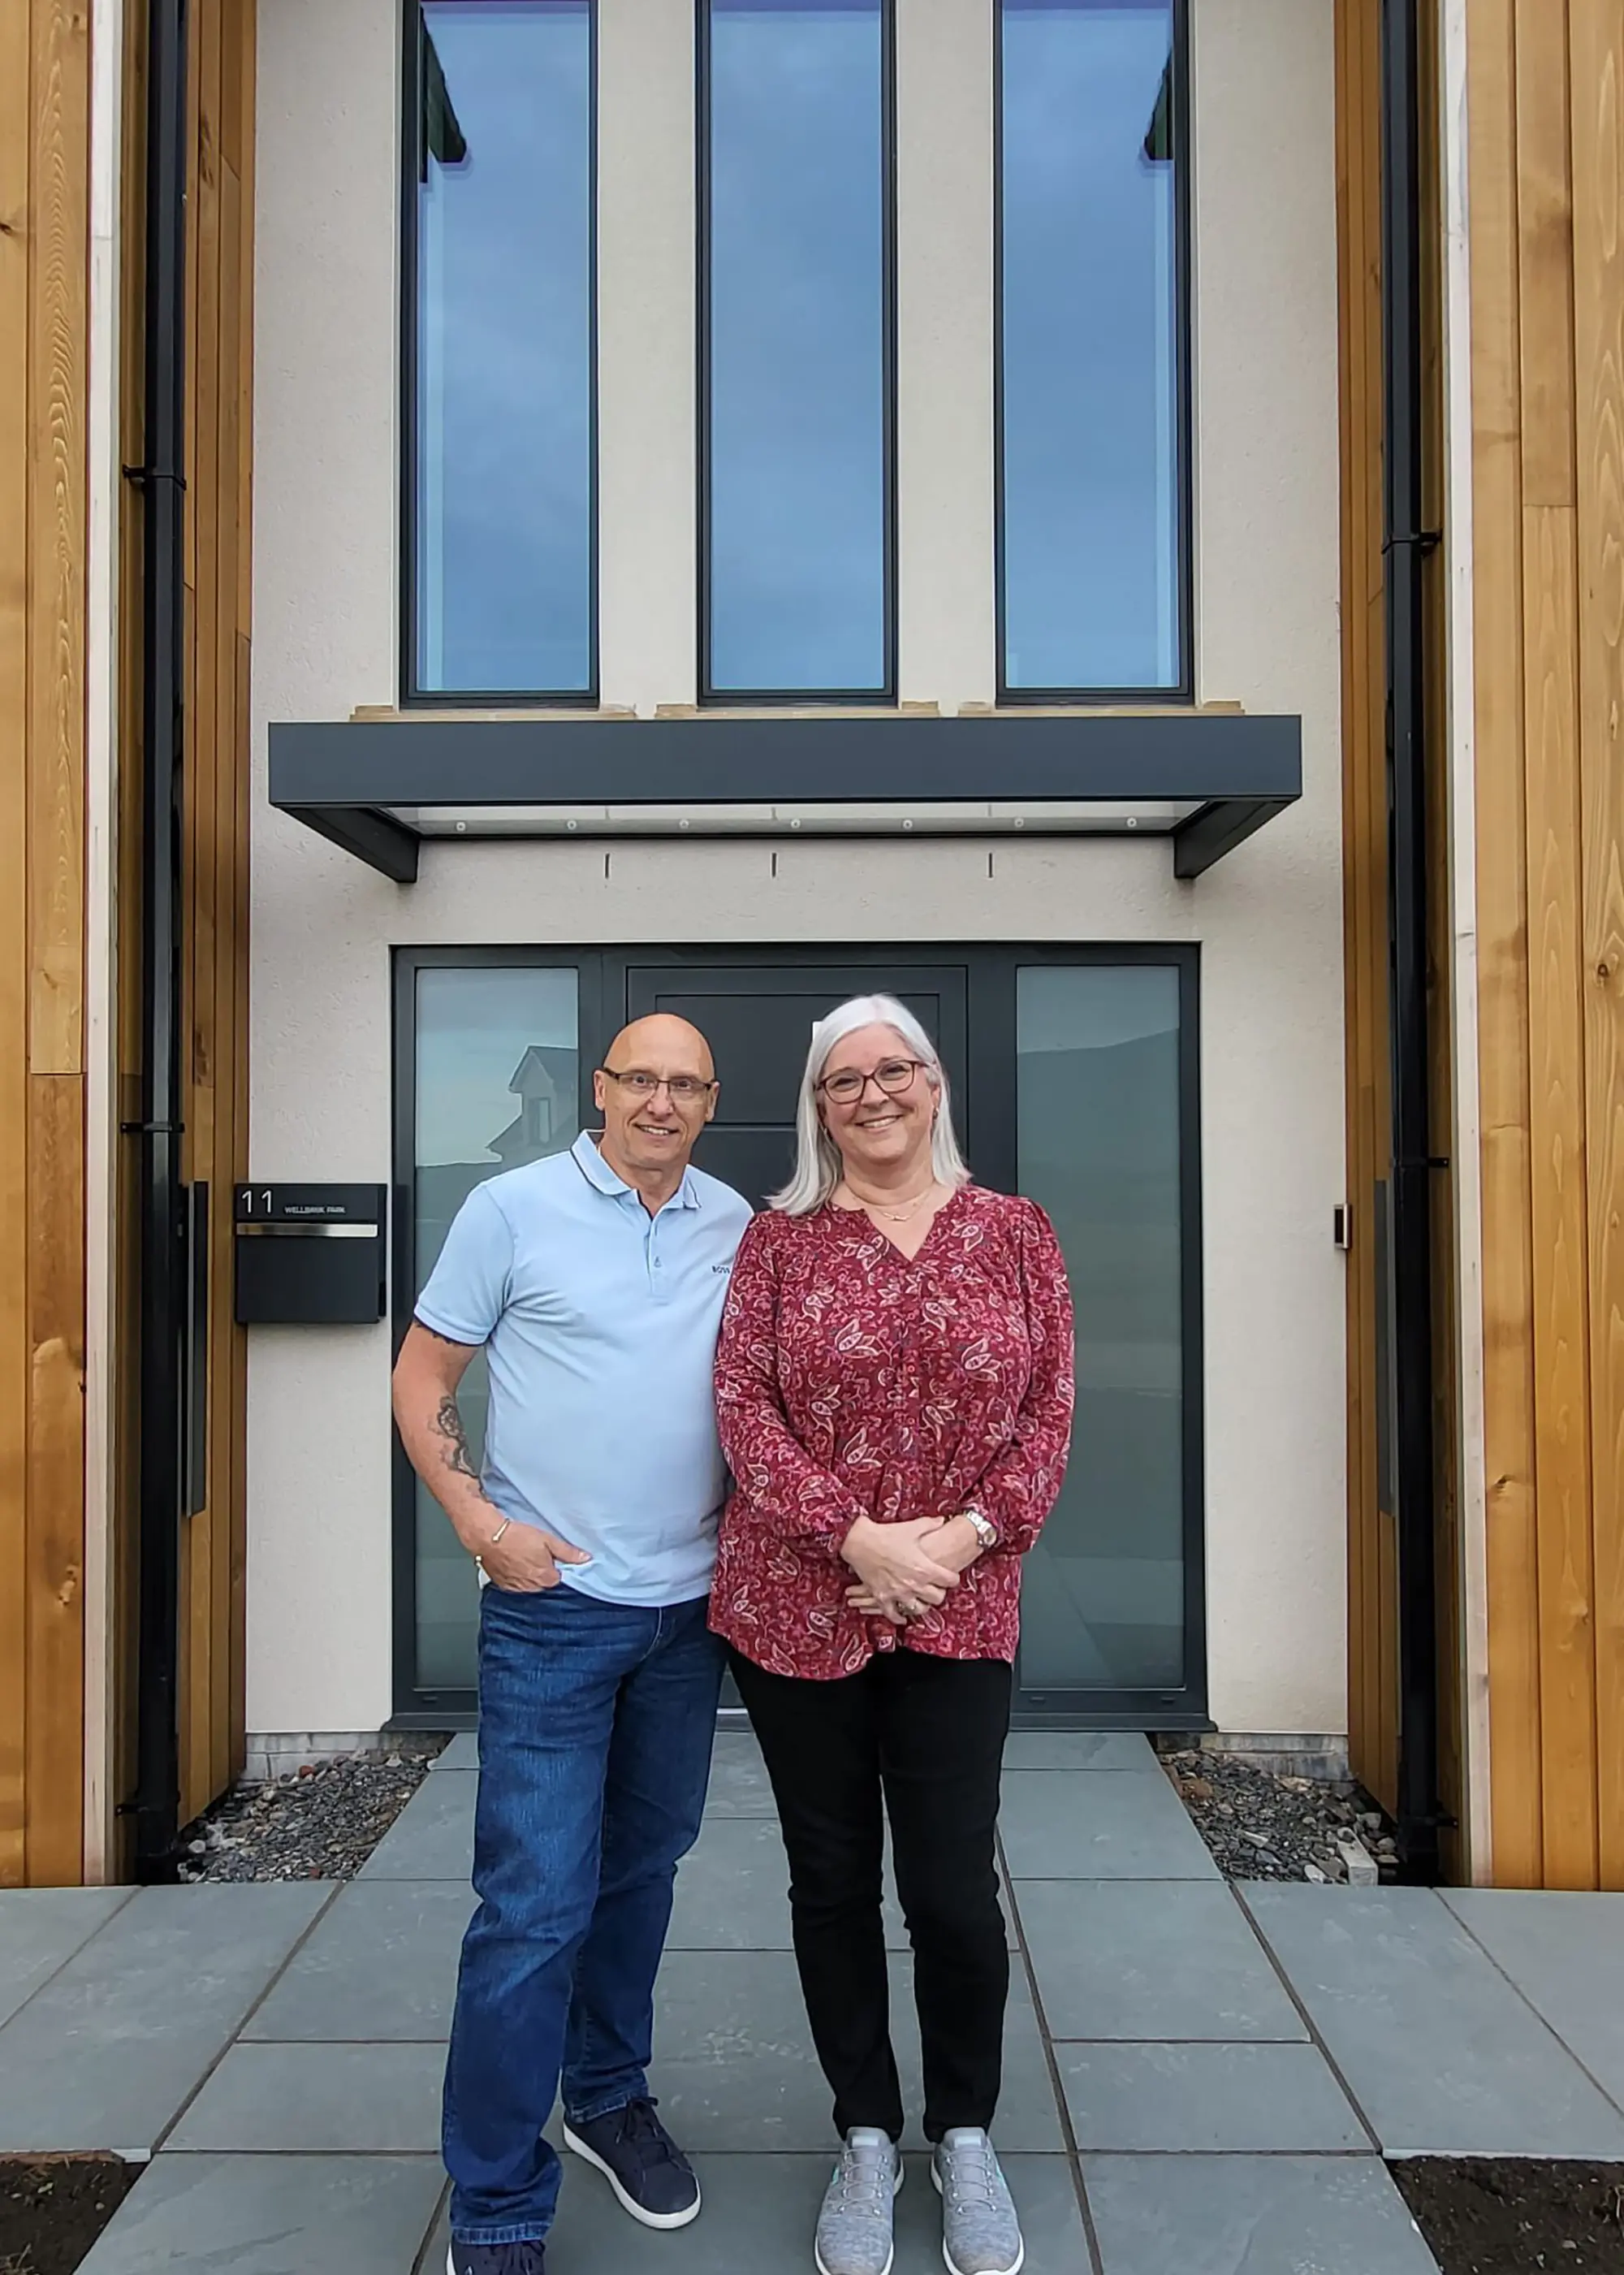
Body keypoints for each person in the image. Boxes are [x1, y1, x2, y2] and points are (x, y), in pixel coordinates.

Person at [710, 995, 1074, 2275]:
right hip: (797, 1605)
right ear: (819, 1106)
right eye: (845, 1078)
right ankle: (866, 2134)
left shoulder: (1017, 1234)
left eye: (896, 1070)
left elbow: (1048, 1415)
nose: (874, 1093)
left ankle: (963, 2135)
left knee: (953, 1895)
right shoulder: (778, 1242)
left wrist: (959, 1539)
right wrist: (857, 1537)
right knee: (830, 1885)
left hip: (961, 1608)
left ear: (934, 1087)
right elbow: (742, 1408)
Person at [392, 1014, 752, 2275]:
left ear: (712, 1102)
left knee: (643, 1870)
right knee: (532, 1906)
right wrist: (483, 1526)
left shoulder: (736, 1224)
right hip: (551, 1609)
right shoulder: (511, 1209)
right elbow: (423, 1377)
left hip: (688, 1612)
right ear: (598, 1091)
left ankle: (605, 2095)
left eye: (684, 1085)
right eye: (638, 1078)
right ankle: (494, 2200)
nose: (660, 1101)